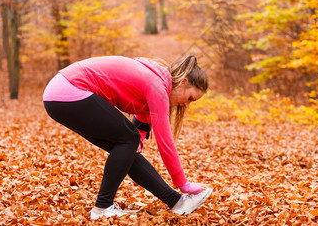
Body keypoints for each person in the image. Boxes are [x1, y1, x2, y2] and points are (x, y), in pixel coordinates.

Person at [43, 54, 212, 219]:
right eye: (190, 98)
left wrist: (136, 140)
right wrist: (183, 183)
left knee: (128, 147)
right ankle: (102, 207)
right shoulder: (157, 87)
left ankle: (176, 202)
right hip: (70, 90)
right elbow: (165, 142)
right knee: (128, 140)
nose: (187, 105)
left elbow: (140, 123)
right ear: (184, 82)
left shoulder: (157, 81)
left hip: (58, 95)